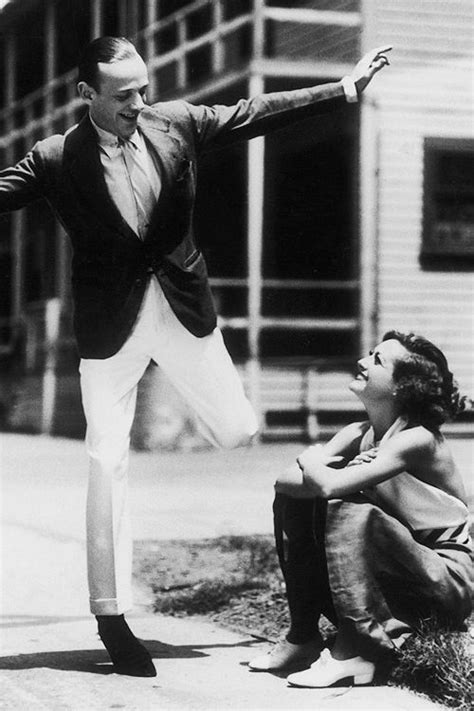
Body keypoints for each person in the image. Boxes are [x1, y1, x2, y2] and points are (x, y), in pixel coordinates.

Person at [0, 36, 391, 677]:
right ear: (86, 95)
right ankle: (112, 617)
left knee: (241, 429)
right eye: (123, 95)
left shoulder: (174, 122)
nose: (138, 102)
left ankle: (341, 479)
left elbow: (254, 111)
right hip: (109, 330)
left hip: (183, 310)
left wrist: (343, 89)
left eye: (143, 89)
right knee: (105, 456)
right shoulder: (54, 158)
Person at [249, 330, 473, 687]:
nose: (362, 362)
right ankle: (302, 636)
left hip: (445, 579)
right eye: (370, 354)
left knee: (348, 504)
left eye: (377, 360)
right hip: (401, 565)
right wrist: (334, 470)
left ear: (403, 386)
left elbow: (326, 484)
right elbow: (284, 482)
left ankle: (351, 653)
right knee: (297, 501)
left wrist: (319, 463)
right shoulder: (359, 433)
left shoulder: (418, 439)